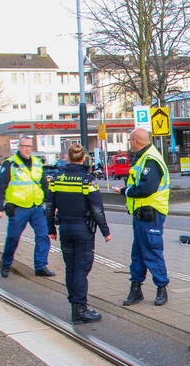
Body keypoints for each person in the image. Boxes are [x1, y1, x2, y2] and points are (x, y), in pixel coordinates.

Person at [45, 143, 112, 323]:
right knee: (82, 269)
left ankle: (74, 305)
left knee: (71, 268)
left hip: (65, 228)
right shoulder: (86, 179)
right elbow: (97, 208)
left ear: (67, 157)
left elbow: (49, 206)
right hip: (83, 229)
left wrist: (50, 228)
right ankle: (80, 309)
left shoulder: (57, 178)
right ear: (83, 158)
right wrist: (105, 231)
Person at [115, 127, 171, 306]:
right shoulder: (144, 157)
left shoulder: (151, 160)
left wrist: (126, 191)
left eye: (130, 140)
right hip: (142, 214)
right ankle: (135, 289)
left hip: (151, 213)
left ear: (134, 141)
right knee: (138, 253)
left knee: (152, 251)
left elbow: (147, 188)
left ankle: (162, 288)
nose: (129, 144)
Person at [0, 136, 54, 278]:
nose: (27, 149)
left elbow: (44, 184)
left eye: (29, 146)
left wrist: (51, 204)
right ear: (19, 147)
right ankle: (6, 264)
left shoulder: (37, 163)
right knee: (13, 238)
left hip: (36, 207)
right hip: (18, 208)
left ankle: (40, 266)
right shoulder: (10, 164)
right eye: (24, 146)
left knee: (43, 235)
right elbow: (0, 187)